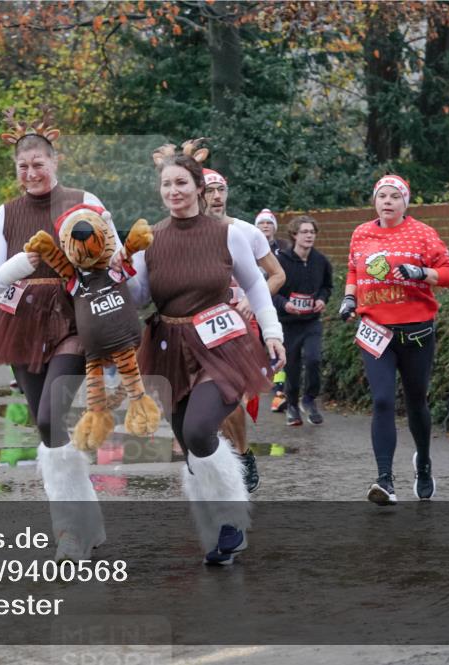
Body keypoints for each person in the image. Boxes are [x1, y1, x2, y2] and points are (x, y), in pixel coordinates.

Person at [127, 146, 285, 565]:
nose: (174, 191)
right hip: (169, 349)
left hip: (222, 345)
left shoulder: (228, 233)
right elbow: (138, 296)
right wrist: (109, 273)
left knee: (199, 430)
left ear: (199, 188)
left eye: (182, 182)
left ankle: (234, 518)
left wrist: (272, 333)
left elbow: (255, 287)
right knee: (190, 442)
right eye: (167, 184)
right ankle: (218, 529)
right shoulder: (148, 241)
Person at [0, 108, 105, 561]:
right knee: (46, 428)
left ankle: (69, 532)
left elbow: (112, 260)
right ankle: (83, 519)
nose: (31, 173)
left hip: (72, 318)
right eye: (22, 167)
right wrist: (21, 266)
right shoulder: (6, 212)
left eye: (39, 164)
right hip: (21, 323)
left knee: (52, 417)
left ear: (55, 162)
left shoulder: (83, 199)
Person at [339, 175, 449, 504]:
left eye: (394, 196)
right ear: (374, 201)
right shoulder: (361, 233)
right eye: (382, 196)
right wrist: (349, 299)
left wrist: (421, 273)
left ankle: (424, 462)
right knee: (382, 401)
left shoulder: (423, 233)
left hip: (416, 331)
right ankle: (385, 480)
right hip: (375, 331)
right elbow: (353, 270)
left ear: (406, 202)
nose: (387, 201)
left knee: (416, 401)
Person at [202, 168, 286, 493]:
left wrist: (255, 297)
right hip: (197, 329)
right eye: (210, 189)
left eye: (222, 189)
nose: (217, 196)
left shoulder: (246, 231)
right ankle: (220, 459)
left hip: (237, 328)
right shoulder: (183, 234)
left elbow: (277, 274)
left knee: (229, 395)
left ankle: (242, 453)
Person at [273, 215, 332, 426]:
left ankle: (309, 399)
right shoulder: (281, 261)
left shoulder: (321, 261)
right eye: (305, 232)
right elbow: (271, 291)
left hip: (311, 321)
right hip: (288, 323)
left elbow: (327, 286)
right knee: (293, 366)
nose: (309, 236)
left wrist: (322, 300)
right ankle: (291, 404)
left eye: (312, 232)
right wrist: (284, 304)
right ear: (294, 235)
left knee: (314, 358)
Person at [255, 208, 290, 412]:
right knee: (257, 346)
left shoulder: (284, 248)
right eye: (262, 223)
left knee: (277, 345)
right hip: (254, 304)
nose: (266, 226)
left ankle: (279, 392)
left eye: (269, 223)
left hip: (277, 303)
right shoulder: (248, 245)